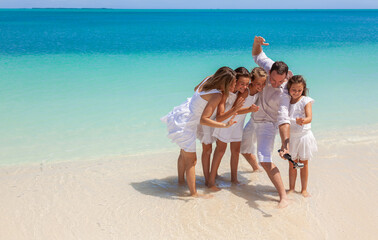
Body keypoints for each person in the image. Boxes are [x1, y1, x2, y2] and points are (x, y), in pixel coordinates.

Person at [161, 67, 237, 197]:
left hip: (183, 113)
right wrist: (224, 125)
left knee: (184, 153)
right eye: (233, 83)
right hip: (188, 123)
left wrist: (200, 104)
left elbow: (195, 88)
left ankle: (180, 182)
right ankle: (193, 194)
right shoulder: (217, 95)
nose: (234, 85)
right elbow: (203, 120)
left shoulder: (208, 80)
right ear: (226, 83)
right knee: (192, 161)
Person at [251, 36, 293, 208]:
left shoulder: (285, 92)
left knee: (265, 158)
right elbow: (257, 55)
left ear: (285, 77)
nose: (275, 84)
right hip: (253, 116)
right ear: (270, 72)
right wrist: (256, 43)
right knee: (242, 147)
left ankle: (283, 196)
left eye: (280, 81)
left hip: (268, 123)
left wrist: (285, 145)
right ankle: (254, 171)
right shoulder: (270, 67)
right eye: (273, 80)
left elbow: (284, 119)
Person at [208, 67, 254, 189]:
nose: (244, 87)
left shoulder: (243, 92)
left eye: (247, 84)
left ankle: (234, 179)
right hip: (224, 125)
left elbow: (238, 110)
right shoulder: (224, 94)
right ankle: (211, 181)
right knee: (220, 151)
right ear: (234, 80)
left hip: (237, 125)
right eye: (241, 83)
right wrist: (236, 109)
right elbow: (220, 117)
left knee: (235, 152)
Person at [286, 75, 317, 197]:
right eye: (294, 90)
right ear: (289, 88)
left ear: (303, 89)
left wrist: (303, 120)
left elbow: (310, 118)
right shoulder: (286, 101)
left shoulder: (305, 100)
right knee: (292, 163)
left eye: (299, 90)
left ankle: (304, 189)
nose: (296, 92)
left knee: (303, 163)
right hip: (291, 136)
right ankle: (292, 188)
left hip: (304, 136)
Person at [240, 67, 268, 172]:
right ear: (252, 81)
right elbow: (235, 109)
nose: (261, 86)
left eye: (263, 83)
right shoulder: (245, 92)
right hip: (237, 121)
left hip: (255, 123)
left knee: (244, 147)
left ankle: (256, 168)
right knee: (243, 148)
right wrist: (249, 109)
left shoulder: (259, 91)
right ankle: (257, 168)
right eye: (258, 84)